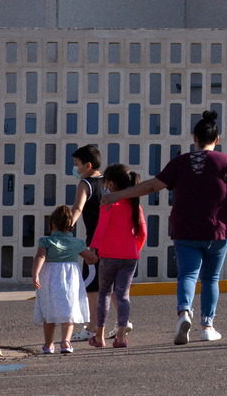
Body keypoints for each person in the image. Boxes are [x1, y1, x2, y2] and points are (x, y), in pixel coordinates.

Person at [101, 110, 227, 345]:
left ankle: (184, 313)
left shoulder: (179, 163)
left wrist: (118, 195)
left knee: (188, 275)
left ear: (194, 138)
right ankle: (207, 326)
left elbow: (150, 186)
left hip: (185, 230)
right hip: (218, 231)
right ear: (217, 139)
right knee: (211, 278)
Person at [69, 145, 125, 342]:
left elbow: (77, 207)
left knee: (93, 286)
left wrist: (66, 226)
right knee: (116, 285)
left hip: (96, 243)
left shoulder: (86, 184)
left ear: (88, 165)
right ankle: (123, 322)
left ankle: (92, 327)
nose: (74, 168)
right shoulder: (109, 183)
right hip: (117, 242)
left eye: (76, 165)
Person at [88, 164, 147, 349]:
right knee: (123, 295)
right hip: (130, 256)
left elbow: (101, 229)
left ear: (111, 184)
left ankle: (100, 336)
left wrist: (93, 249)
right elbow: (143, 233)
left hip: (109, 255)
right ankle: (121, 337)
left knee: (104, 293)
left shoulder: (109, 202)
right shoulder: (135, 204)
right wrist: (134, 249)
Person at [32, 205, 99, 354]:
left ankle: (48, 345)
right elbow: (91, 258)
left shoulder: (46, 241)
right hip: (70, 280)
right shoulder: (77, 243)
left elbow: (41, 256)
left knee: (48, 313)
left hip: (49, 279)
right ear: (71, 227)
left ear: (51, 225)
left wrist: (36, 273)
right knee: (69, 312)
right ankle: (66, 343)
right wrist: (93, 255)